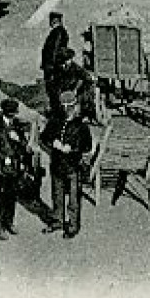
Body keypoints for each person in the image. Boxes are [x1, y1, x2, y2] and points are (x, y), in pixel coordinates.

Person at [41, 95, 93, 238]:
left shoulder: (81, 126)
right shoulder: (55, 122)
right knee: (57, 196)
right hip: (57, 165)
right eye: (64, 107)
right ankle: (57, 220)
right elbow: (43, 138)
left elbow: (87, 146)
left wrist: (72, 148)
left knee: (73, 200)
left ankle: (72, 226)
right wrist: (53, 143)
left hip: (73, 167)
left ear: (75, 107)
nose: (66, 110)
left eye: (69, 107)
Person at [0, 99, 30, 239]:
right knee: (0, 198)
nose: (13, 117)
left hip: (14, 167)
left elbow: (24, 144)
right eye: (11, 114)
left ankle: (9, 222)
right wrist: (1, 158)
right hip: (1, 169)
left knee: (12, 196)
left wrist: (19, 140)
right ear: (5, 113)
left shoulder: (16, 125)